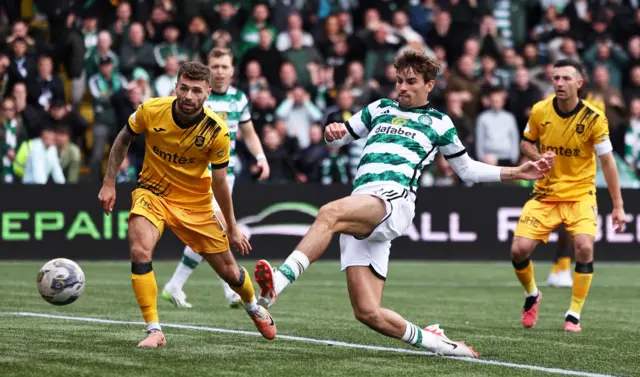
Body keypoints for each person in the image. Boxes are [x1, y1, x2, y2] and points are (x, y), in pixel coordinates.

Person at [253, 50, 551, 358]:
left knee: (329, 212)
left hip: (394, 200)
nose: (402, 87)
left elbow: (467, 170)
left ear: (429, 85)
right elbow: (338, 139)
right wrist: (332, 132)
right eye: (399, 81)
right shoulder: (380, 107)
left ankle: (278, 280)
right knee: (368, 312)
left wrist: (517, 171)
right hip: (363, 203)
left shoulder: (439, 122)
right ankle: (440, 343)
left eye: (411, 82)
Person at [97, 61, 276, 348]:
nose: (189, 96)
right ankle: (154, 330)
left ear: (207, 94)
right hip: (152, 193)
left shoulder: (217, 131)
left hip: (196, 204)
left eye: (196, 90)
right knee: (139, 249)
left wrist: (231, 227)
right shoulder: (151, 109)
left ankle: (254, 306)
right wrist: (109, 182)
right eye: (184, 88)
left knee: (231, 273)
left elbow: (219, 184)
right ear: (175, 87)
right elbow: (124, 138)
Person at [513, 59, 626, 333]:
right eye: (556, 78)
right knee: (518, 251)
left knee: (585, 247)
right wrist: (539, 157)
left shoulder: (594, 118)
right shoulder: (541, 110)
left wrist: (618, 205)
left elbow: (608, 162)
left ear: (579, 83)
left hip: (580, 195)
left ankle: (573, 315)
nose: (559, 83)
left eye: (565, 78)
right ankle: (532, 294)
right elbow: (525, 142)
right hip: (545, 193)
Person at [162, 48, 270, 309]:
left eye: (224, 66)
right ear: (208, 70)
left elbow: (249, 132)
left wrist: (261, 157)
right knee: (218, 229)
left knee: (208, 234)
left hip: (225, 176)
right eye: (215, 66)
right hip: (198, 175)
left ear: (232, 70)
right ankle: (232, 290)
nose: (220, 71)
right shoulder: (194, 96)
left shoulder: (239, 99)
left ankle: (175, 286)